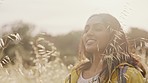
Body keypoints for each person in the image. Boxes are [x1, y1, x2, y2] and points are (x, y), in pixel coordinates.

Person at [65, 13, 146, 83]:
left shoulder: (129, 75)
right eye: (86, 30)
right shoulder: (74, 74)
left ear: (113, 36)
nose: (89, 33)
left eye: (98, 29)